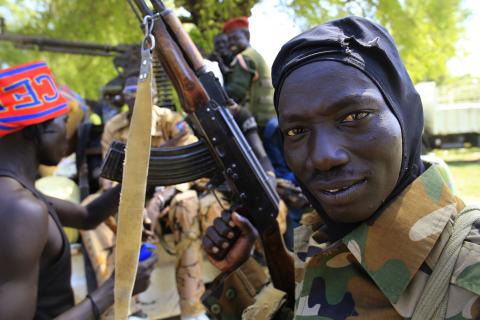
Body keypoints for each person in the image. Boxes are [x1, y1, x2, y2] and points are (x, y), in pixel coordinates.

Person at [203, 17, 480, 319]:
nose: (323, 157)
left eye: (354, 116)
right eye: (296, 131)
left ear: (406, 115)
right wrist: (241, 270)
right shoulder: (320, 240)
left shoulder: (470, 268)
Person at [0, 61, 156, 319]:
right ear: (40, 127)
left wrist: (142, 179)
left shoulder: (17, 195)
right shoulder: (20, 210)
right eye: (64, 121)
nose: (69, 134)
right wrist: (114, 290)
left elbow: (87, 216)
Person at [222, 17, 276, 130]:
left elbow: (235, 91)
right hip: (271, 118)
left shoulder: (244, 57)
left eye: (235, 38)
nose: (231, 43)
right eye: (229, 40)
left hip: (258, 123)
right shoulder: (255, 54)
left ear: (247, 36)